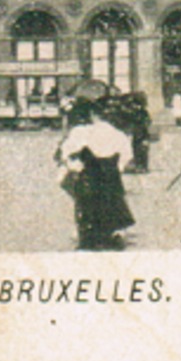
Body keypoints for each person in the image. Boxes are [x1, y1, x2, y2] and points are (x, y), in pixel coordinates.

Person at [57, 103, 135, 251]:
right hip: (112, 179)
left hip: (89, 178)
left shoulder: (82, 133)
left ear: (93, 115)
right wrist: (117, 169)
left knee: (85, 203)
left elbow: (66, 154)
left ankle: (89, 236)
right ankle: (112, 234)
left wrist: (74, 168)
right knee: (112, 204)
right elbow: (127, 156)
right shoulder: (119, 135)